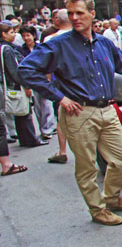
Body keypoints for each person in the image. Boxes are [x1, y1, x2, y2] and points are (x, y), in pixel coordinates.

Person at [19, 0, 122, 226]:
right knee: (87, 168)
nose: (74, 18)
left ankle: (112, 198)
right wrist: (59, 97)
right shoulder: (58, 44)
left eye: (79, 13)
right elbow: (26, 70)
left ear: (92, 14)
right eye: (71, 13)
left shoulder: (103, 42)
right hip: (78, 113)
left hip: (107, 109)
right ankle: (98, 210)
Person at [0, 20, 48, 148]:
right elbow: (14, 70)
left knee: (19, 113)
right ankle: (31, 139)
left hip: (8, 85)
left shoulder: (5, 47)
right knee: (24, 112)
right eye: (11, 32)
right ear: (4, 34)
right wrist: (26, 85)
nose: (14, 35)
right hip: (15, 85)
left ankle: (24, 138)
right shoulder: (8, 49)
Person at [43, 9, 73, 165]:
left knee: (61, 118)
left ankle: (62, 151)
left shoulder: (50, 39)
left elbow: (46, 67)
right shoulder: (82, 36)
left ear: (57, 21)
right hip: (80, 85)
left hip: (59, 84)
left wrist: (48, 85)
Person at [21, 24, 57, 140]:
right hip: (31, 81)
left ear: (33, 36)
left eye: (28, 35)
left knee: (47, 104)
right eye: (24, 36)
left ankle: (48, 128)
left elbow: (48, 63)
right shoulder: (21, 50)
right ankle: (43, 128)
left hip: (43, 78)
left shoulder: (41, 47)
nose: (26, 38)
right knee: (37, 106)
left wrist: (48, 78)